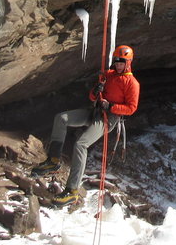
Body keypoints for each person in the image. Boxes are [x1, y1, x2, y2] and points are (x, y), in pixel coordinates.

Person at [31, 45, 140, 205]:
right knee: (61, 118)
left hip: (107, 119)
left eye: (121, 62)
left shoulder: (132, 83)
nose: (118, 65)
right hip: (95, 111)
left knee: (81, 144)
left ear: (128, 63)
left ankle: (72, 191)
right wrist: (96, 90)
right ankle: (53, 160)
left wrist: (110, 107)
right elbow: (92, 97)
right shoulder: (108, 75)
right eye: (117, 62)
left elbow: (131, 108)